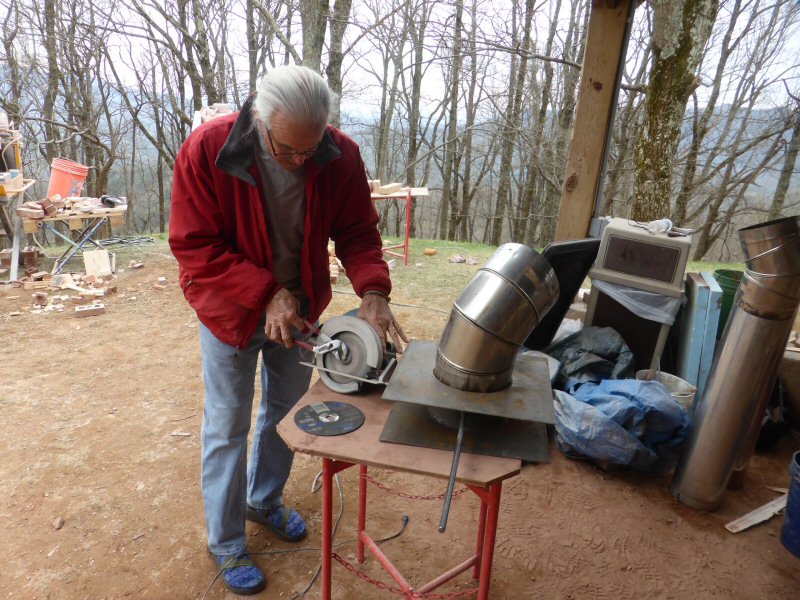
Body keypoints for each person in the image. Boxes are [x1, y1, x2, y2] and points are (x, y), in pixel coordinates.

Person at [169, 65, 408, 595]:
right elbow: (194, 246)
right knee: (227, 425)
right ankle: (228, 542)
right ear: (259, 120)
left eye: (311, 148)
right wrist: (263, 293)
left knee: (286, 412)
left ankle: (265, 499)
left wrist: (373, 290)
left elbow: (358, 231)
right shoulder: (208, 149)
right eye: (288, 151)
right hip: (230, 310)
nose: (301, 161)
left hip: (299, 309)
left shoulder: (337, 153)